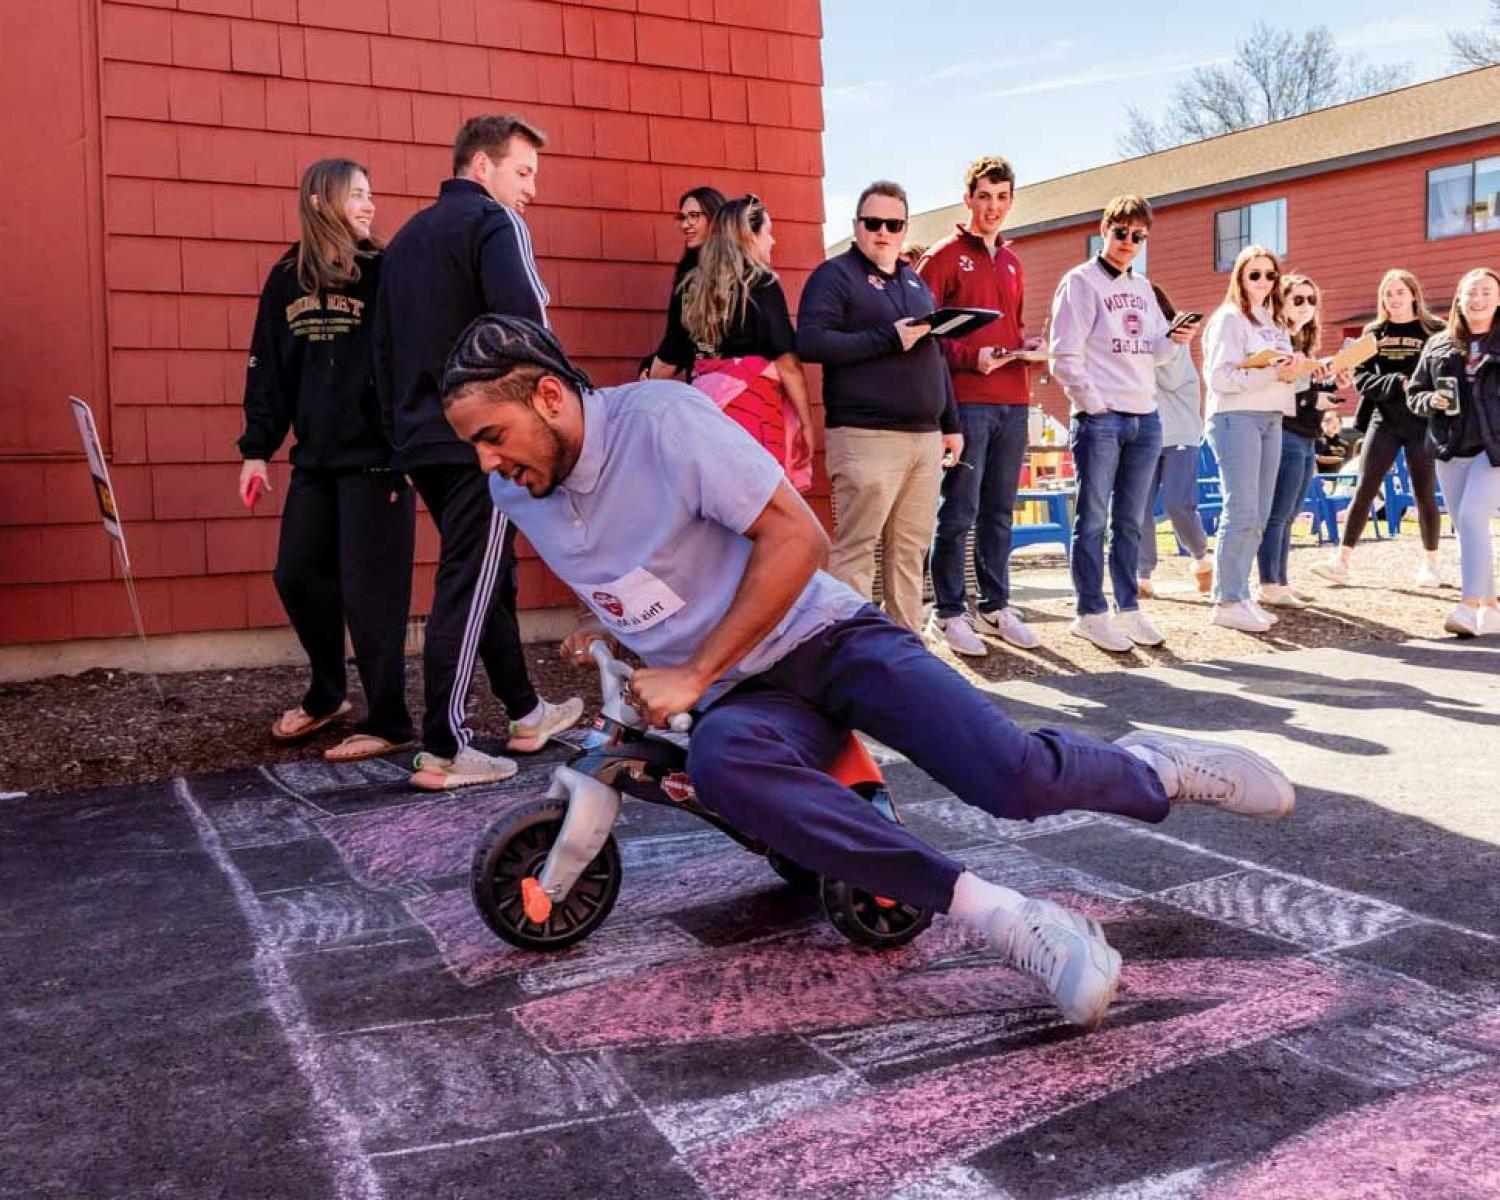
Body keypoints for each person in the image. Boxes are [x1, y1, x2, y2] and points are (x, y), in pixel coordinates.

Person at [439, 314, 1296, 1032]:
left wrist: (696, 669)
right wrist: (615, 625)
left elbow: (797, 540)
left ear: (549, 397)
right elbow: (645, 569)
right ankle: (1011, 922)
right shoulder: (524, 491)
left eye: (492, 437)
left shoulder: (662, 421)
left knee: (1010, 778)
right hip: (745, 698)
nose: (487, 463)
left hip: (826, 638)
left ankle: (1156, 766)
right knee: (725, 766)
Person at [373, 114, 581, 790]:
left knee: (489, 572)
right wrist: (564, 409)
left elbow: (380, 349)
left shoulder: (404, 240)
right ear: (481, 167)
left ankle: (524, 712)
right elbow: (525, 327)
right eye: (523, 173)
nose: (531, 191)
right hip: (479, 439)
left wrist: (397, 435)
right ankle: (444, 746)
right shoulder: (494, 225)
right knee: (468, 579)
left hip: (417, 436)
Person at [238, 158, 416, 763]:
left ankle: (389, 718)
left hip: (377, 461)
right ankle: (328, 692)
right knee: (296, 575)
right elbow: (268, 366)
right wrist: (257, 451)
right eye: (356, 195)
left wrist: (409, 442)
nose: (369, 205)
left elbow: (409, 363)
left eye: (371, 194)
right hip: (314, 463)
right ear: (319, 202)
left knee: (372, 593)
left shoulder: (382, 271)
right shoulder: (287, 276)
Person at [796, 181, 961, 632]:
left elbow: (935, 355)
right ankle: (852, 652)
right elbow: (810, 341)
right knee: (856, 550)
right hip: (866, 436)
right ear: (857, 226)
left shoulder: (914, 280)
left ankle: (906, 649)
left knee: (910, 552)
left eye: (894, 224)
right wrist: (888, 337)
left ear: (905, 228)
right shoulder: (835, 275)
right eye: (873, 223)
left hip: (924, 438)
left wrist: (951, 422)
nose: (883, 232)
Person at [1049, 195, 1197, 652]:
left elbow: (1153, 351)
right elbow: (1063, 355)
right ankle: (1090, 611)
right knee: (1092, 519)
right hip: (1102, 419)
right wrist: (1093, 405)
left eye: (1138, 237)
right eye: (1121, 233)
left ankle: (1128, 607)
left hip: (1145, 416)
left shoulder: (1143, 287)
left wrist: (1174, 339)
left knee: (1131, 521)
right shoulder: (1080, 282)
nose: (1128, 243)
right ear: (1104, 228)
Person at [918, 156, 1042, 656]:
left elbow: (1007, 328)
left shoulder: (1013, 261)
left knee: (999, 511)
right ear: (967, 198)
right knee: (959, 510)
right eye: (985, 196)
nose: (993, 207)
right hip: (966, 404)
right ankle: (946, 612)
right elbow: (924, 336)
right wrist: (973, 358)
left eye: (1002, 197)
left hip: (1013, 400)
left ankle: (994, 606)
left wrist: (1024, 345)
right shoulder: (943, 258)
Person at [651, 195, 815, 491]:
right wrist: (807, 423)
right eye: (768, 231)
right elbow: (787, 363)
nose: (773, 241)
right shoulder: (762, 283)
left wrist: (645, 396)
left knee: (715, 500)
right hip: (753, 408)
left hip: (704, 406)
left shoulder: (692, 287)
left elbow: (670, 355)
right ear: (748, 236)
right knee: (760, 506)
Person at [1312, 269, 1447, 590]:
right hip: (1384, 420)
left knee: (1424, 493)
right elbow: (1362, 380)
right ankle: (1341, 562)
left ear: (1414, 294)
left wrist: (1423, 390)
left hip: (1422, 422)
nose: (1394, 298)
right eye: (1388, 293)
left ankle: (1431, 564)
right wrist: (1397, 382)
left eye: (1400, 292)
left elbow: (1443, 371)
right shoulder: (1373, 333)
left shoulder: (1435, 330)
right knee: (1364, 488)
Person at [1201, 245, 1305, 633]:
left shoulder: (1274, 322)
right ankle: (1226, 599)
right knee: (1242, 509)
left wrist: (1299, 369)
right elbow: (1219, 379)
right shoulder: (1228, 319)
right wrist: (1270, 374)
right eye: (1254, 274)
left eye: (1270, 274)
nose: (1264, 281)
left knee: (1260, 512)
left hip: (1272, 417)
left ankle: (1240, 594)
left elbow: (1282, 373)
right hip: (1235, 417)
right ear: (1240, 277)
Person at [1406, 267, 1500, 638]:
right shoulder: (1439, 344)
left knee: (1473, 515)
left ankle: (1467, 605)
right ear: (1459, 299)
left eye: (1486, 291)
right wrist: (1433, 399)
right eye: (1470, 292)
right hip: (1450, 446)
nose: (1477, 299)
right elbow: (1414, 394)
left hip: (1494, 448)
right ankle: (1492, 606)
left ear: (1498, 297)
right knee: (1466, 527)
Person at [1255, 273, 1350, 609]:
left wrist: (1333, 384)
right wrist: (1316, 394)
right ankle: (1268, 583)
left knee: (1291, 512)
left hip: (1307, 434)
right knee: (1277, 512)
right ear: (1281, 301)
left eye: (1312, 300)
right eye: (1298, 299)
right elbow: (1281, 393)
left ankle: (1280, 580)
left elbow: (1310, 396)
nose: (1307, 306)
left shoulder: (1304, 345)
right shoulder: (1279, 342)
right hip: (1285, 431)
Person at [1137, 283, 1214, 599]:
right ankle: (1142, 575)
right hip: (1146, 432)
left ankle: (1202, 558)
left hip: (1180, 432)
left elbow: (1167, 376)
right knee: (1139, 505)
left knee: (1177, 503)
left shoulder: (1174, 338)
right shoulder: (1142, 339)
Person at [641, 186, 725, 379]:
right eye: (683, 218)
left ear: (714, 218)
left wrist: (649, 377)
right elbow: (681, 343)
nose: (685, 225)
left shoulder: (696, 281)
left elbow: (676, 346)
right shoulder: (690, 275)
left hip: (713, 389)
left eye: (694, 216)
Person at [1315, 410, 1355, 475]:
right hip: (1321, 477)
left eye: (1338, 423)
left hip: (1340, 477)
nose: (1335, 425)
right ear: (1322, 424)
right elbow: (1317, 458)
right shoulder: (1316, 442)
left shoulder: (1344, 444)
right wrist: (1339, 459)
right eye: (1330, 422)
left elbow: (1348, 463)